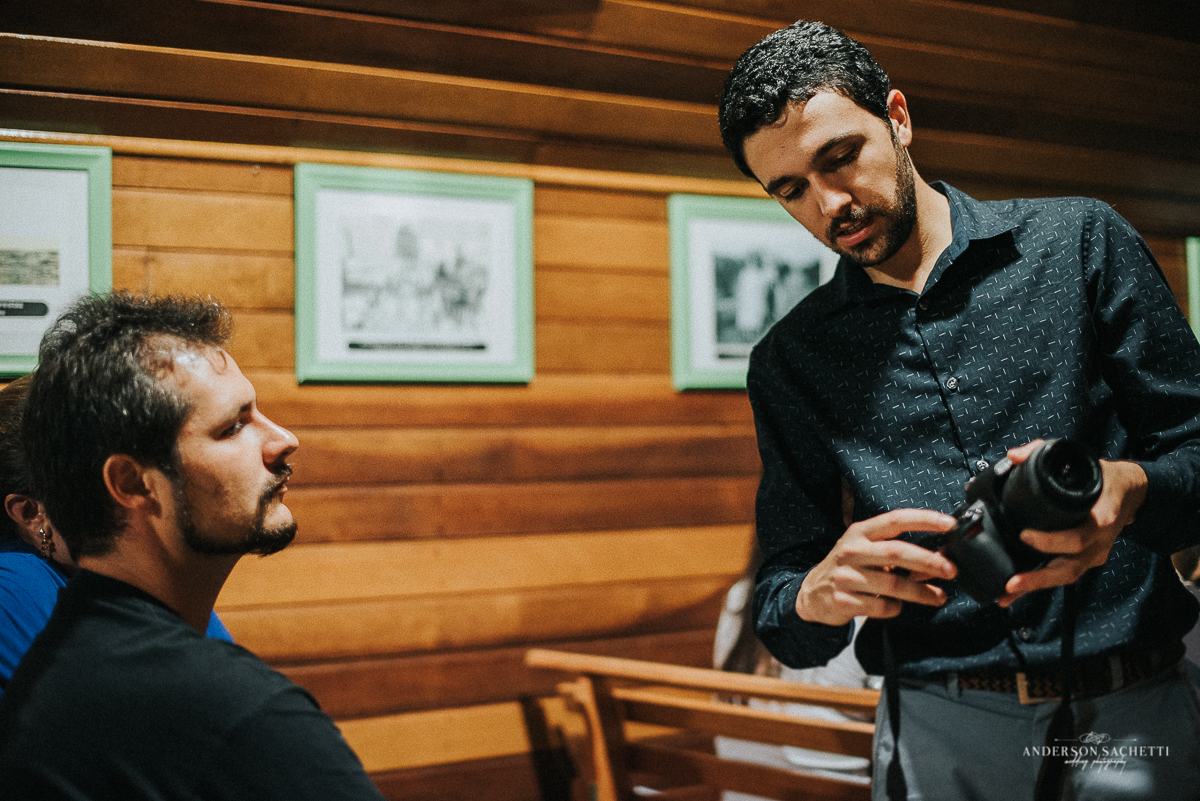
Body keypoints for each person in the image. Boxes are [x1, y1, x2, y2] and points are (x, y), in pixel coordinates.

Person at [718, 21, 1200, 801]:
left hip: (1134, 704)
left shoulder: (1079, 243)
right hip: (941, 727)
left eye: (840, 157)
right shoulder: (789, 360)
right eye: (791, 189)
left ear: (898, 119)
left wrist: (1133, 489)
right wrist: (817, 591)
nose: (830, 204)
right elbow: (780, 599)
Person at [0, 292, 385, 799]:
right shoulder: (237, 717)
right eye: (233, 427)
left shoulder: (68, 651)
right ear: (135, 484)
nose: (283, 439)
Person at [0, 375, 233, 696]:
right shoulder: (13, 587)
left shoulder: (127, 577)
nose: (135, 494)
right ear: (29, 513)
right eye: (98, 481)